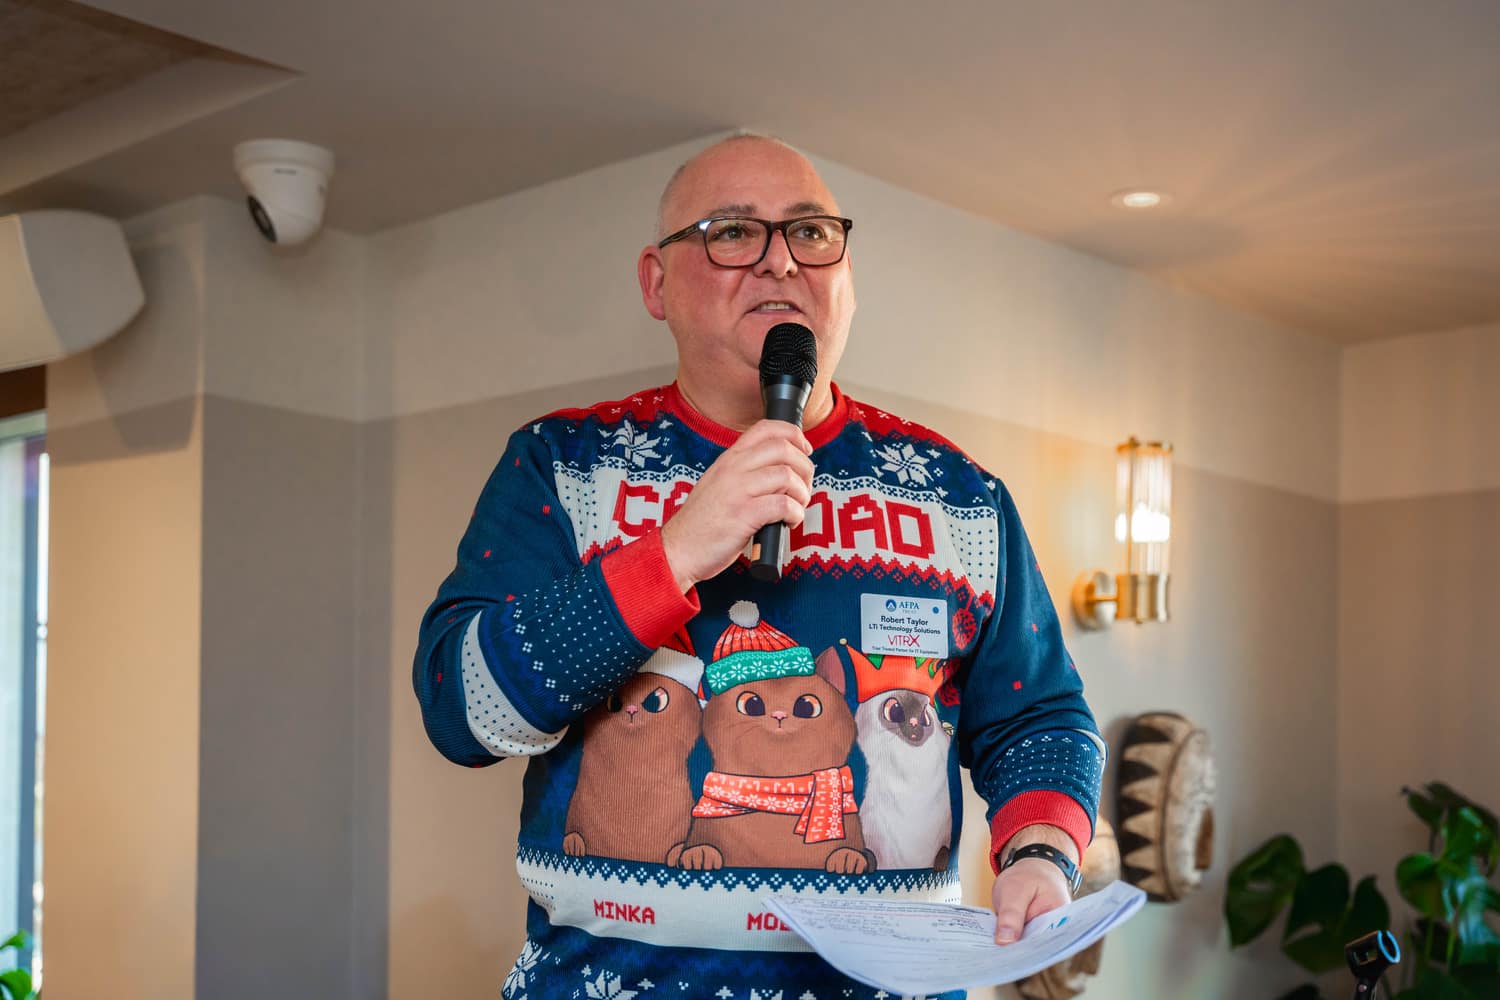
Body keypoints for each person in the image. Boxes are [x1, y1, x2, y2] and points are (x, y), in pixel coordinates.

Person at [413, 133, 1104, 999]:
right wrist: (673, 554)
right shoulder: (561, 465)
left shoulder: (960, 495)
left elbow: (1041, 715)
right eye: (733, 232)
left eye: (811, 233)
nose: (781, 262)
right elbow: (459, 710)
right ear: (656, 283)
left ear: (847, 280)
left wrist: (1041, 850)